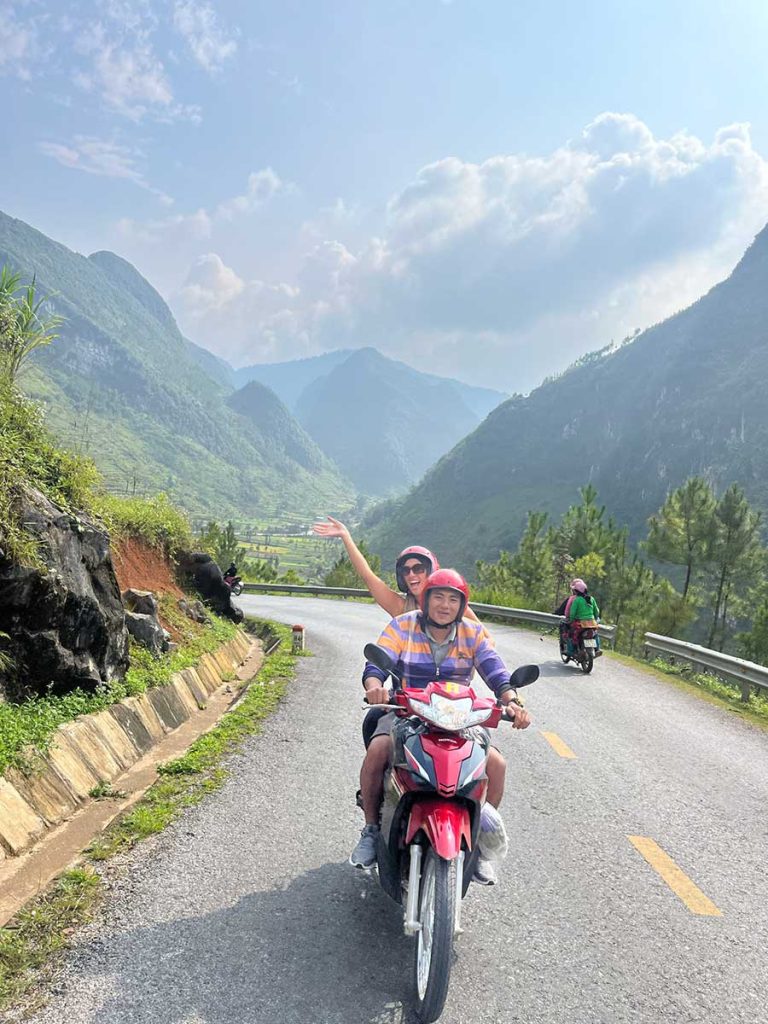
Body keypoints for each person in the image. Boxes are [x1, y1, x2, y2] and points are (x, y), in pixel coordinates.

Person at [350, 568, 531, 885]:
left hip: (460, 719)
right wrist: (375, 684)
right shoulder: (403, 626)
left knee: (497, 765)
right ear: (426, 599)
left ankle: (478, 841)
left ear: (462, 605)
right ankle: (371, 829)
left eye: (453, 599)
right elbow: (377, 664)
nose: (445, 605)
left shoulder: (472, 634)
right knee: (378, 750)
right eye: (438, 597)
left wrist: (512, 701)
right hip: (408, 712)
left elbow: (495, 670)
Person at [312, 516, 481, 621]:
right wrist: (346, 537)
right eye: (406, 571)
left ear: (431, 571)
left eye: (418, 568)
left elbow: (486, 641)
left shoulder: (451, 606)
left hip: (450, 679)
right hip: (409, 678)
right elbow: (369, 577)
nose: (411, 574)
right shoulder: (402, 609)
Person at [554, 578, 601, 655]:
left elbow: (572, 613)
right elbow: (597, 611)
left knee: (571, 634)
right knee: (594, 633)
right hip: (592, 623)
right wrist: (595, 618)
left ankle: (573, 651)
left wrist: (571, 620)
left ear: (576, 591)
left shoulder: (577, 600)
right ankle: (597, 649)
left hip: (580, 624)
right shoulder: (591, 598)